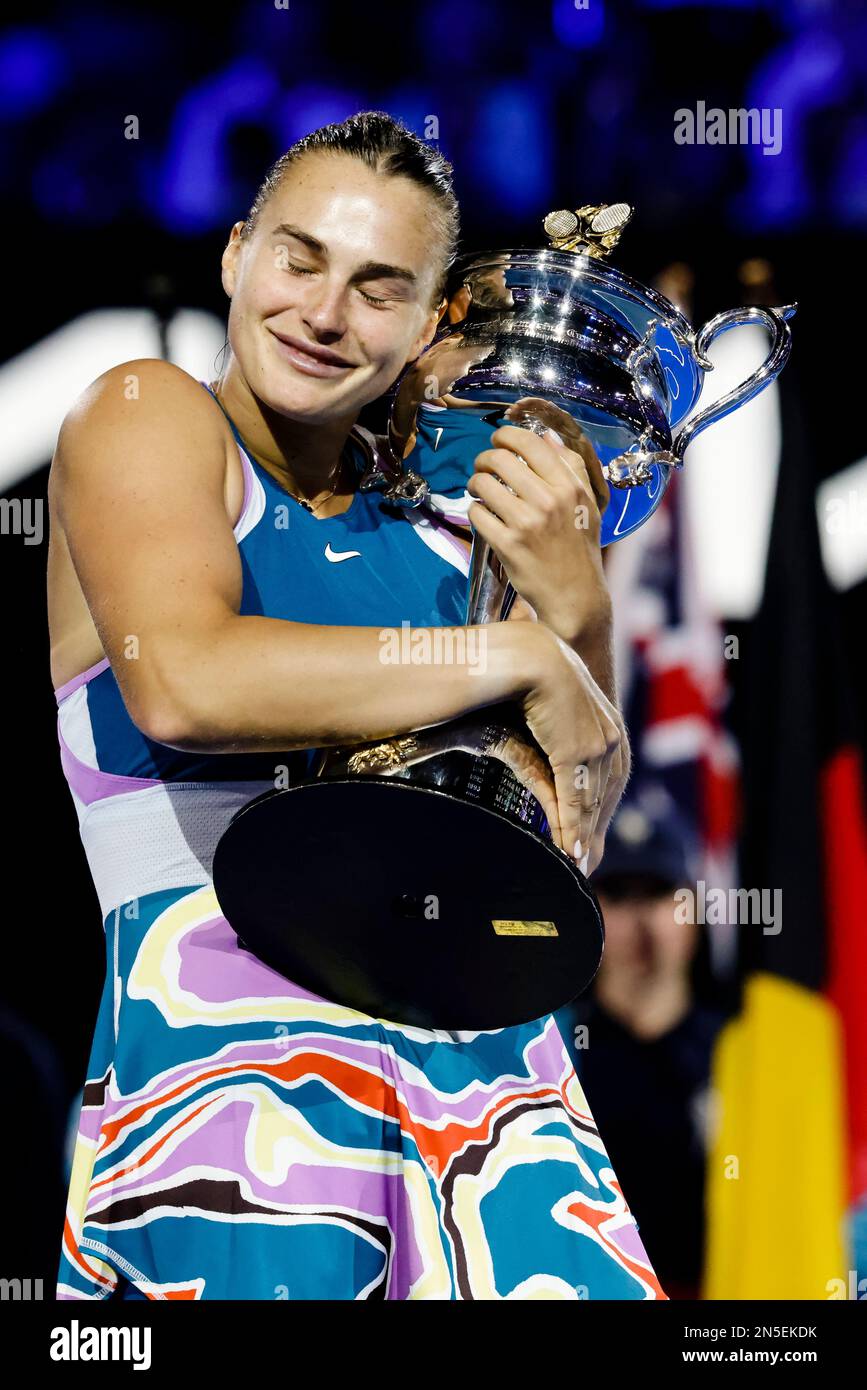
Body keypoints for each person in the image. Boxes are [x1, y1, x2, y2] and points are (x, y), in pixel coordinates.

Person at [47, 110, 664, 1300]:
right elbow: (183, 682)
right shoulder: (146, 412)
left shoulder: (447, 538)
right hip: (234, 1096)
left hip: (494, 1100)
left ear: (434, 324)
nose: (326, 314)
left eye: (381, 288)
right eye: (299, 259)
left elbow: (555, 843)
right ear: (236, 255)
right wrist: (515, 657)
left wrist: (574, 610)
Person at [556, 786, 726, 1298]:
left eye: (657, 893)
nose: (641, 920)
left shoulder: (740, 1055)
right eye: (619, 895)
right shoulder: (549, 1054)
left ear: (693, 912)